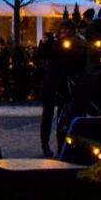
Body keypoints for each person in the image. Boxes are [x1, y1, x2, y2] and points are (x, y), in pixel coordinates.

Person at [38, 20, 88, 157]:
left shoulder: (76, 44)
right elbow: (41, 57)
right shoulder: (52, 42)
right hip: (51, 84)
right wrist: (44, 45)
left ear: (72, 31)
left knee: (63, 117)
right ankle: (45, 145)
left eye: (67, 30)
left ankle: (62, 146)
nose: (64, 33)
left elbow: (77, 62)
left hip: (64, 85)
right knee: (47, 116)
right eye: (62, 30)